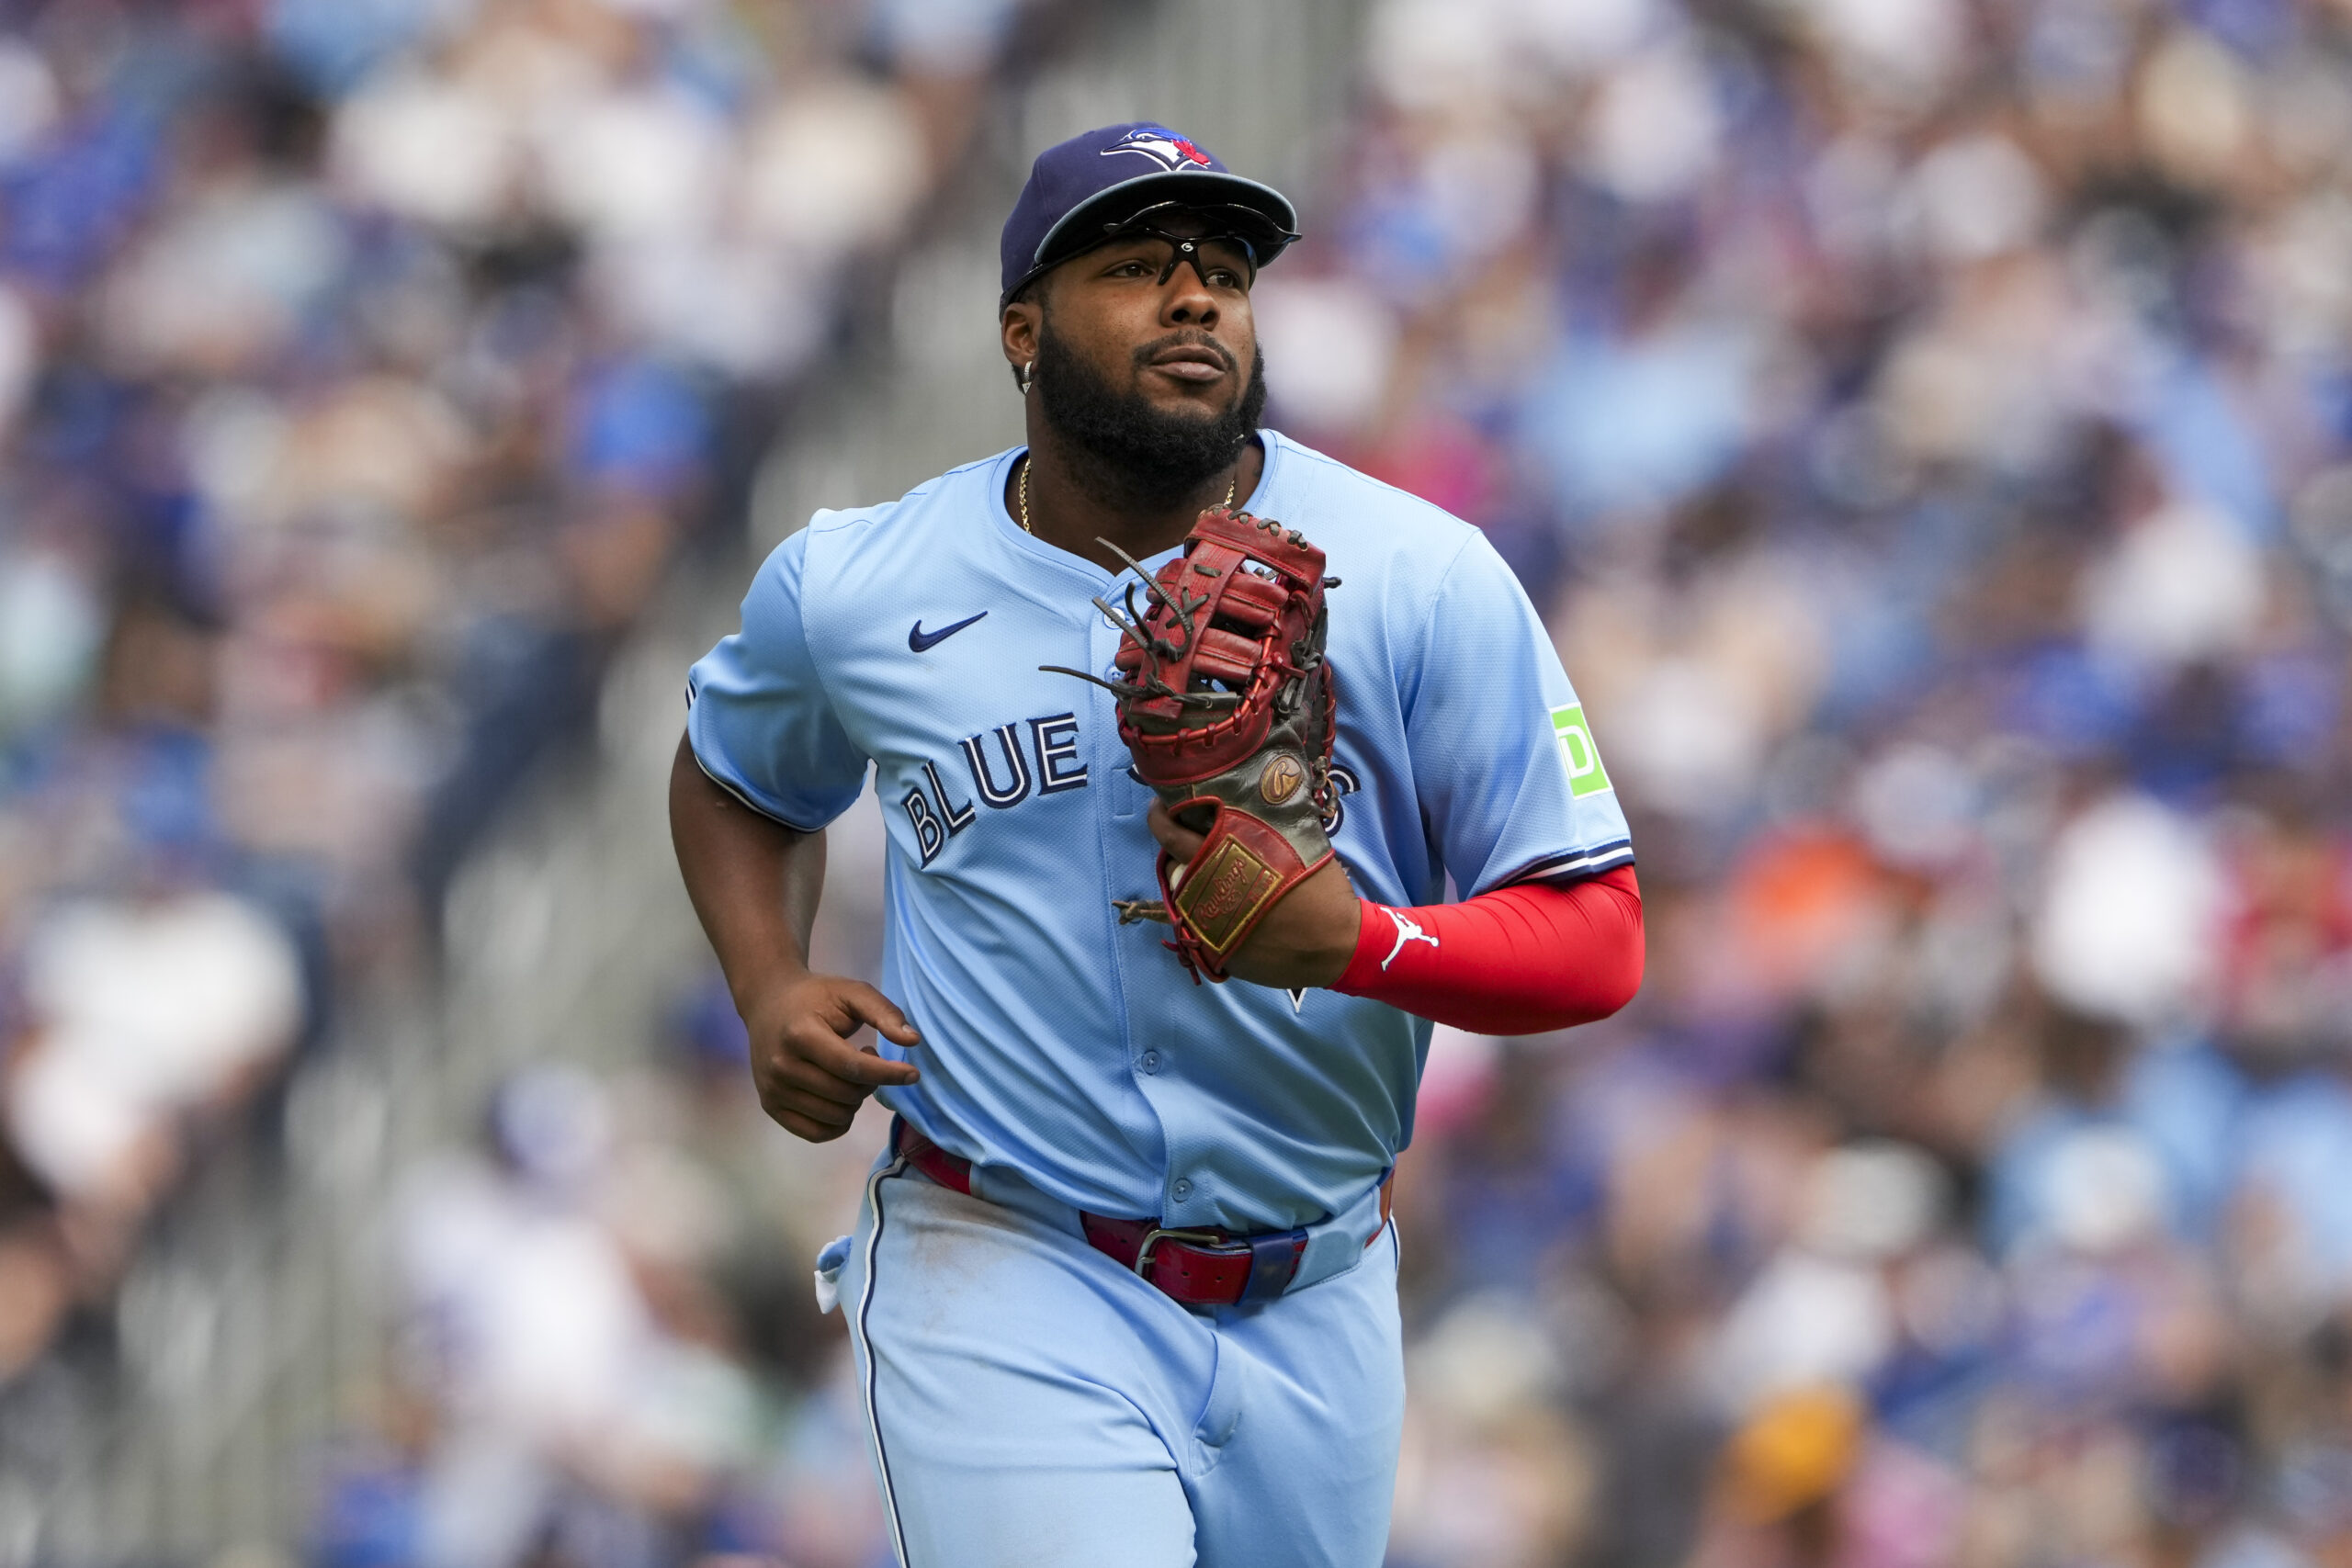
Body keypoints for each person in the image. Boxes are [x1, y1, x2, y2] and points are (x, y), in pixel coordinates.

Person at [669, 122, 1645, 1568]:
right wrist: (768, 984)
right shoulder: (861, 586)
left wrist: (1358, 942)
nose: (1196, 297)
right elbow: (734, 776)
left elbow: (1599, 939)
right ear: (1020, 330)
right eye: (1137, 265)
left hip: (1316, 1287)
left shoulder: (1423, 574)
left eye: (1227, 271)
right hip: (1004, 1258)